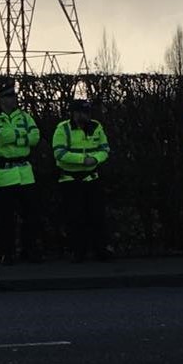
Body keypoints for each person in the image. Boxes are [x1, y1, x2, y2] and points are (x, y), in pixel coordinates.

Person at [0, 81, 43, 265]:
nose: (14, 99)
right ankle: (6, 253)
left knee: (30, 216)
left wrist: (14, 136)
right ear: (1, 99)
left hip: (25, 173)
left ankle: (29, 251)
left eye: (14, 96)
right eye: (9, 96)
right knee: (5, 218)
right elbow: (1, 137)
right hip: (4, 175)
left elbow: (35, 137)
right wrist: (22, 136)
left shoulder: (25, 116)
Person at [52, 99, 111, 262]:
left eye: (87, 112)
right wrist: (82, 160)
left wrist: (95, 159)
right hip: (70, 179)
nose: (85, 115)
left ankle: (100, 250)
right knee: (75, 217)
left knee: (97, 215)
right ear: (73, 113)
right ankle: (78, 251)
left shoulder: (96, 127)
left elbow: (105, 149)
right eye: (81, 112)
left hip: (92, 177)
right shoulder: (63, 129)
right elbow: (59, 153)